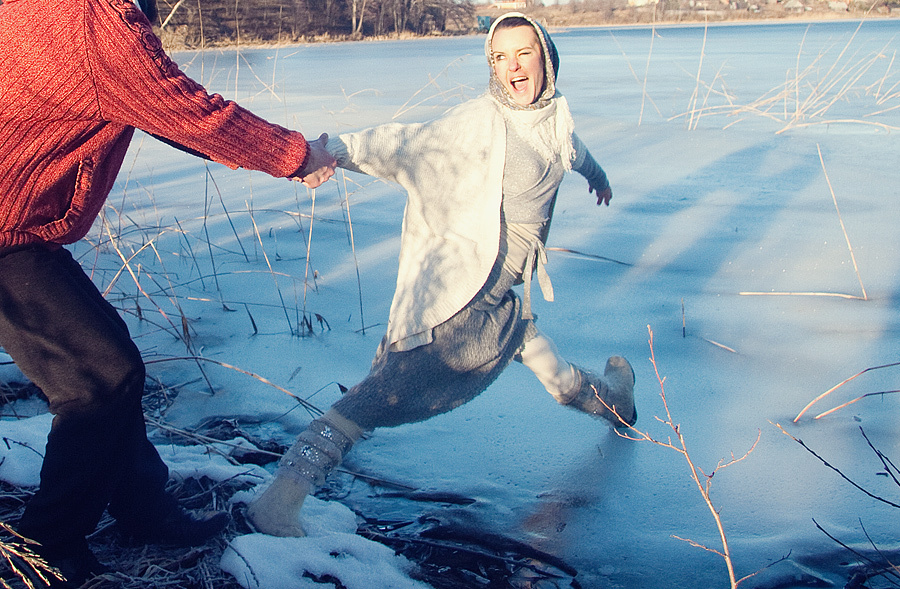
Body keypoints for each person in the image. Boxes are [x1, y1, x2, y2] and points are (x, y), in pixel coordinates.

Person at [247, 12, 636, 538]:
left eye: (523, 53)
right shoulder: (477, 123)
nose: (512, 66)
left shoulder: (554, 119)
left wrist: (600, 178)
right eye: (500, 57)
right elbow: (407, 143)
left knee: (554, 371)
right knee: (377, 398)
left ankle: (618, 401)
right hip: (463, 296)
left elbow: (575, 153)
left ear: (546, 58)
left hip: (502, 300)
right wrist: (333, 150)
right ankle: (280, 500)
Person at [0, 0, 336, 585]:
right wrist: (296, 155)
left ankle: (142, 507)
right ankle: (47, 546)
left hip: (17, 229)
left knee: (108, 362)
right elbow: (186, 111)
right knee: (100, 378)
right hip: (6, 236)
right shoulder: (92, 21)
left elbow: (152, 104)